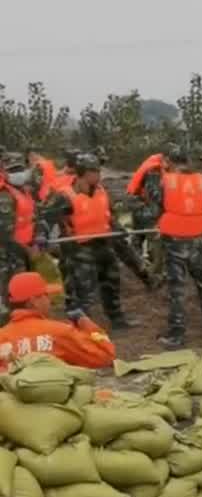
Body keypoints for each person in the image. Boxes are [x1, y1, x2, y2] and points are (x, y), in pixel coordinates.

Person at [38, 153, 149, 330]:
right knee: (83, 290)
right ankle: (81, 326)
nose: (98, 175)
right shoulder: (65, 196)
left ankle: (117, 320)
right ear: (82, 173)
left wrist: (118, 231)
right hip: (79, 248)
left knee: (112, 283)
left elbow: (108, 217)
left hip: (103, 244)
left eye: (98, 171)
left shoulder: (101, 191)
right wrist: (42, 234)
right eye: (94, 172)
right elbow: (45, 218)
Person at [145, 145, 202, 348]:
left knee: (177, 290)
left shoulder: (164, 181)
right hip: (197, 240)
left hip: (175, 242)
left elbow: (155, 208)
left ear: (168, 161)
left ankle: (177, 334)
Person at [0, 271, 115, 369]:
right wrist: (88, 325)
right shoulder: (59, 331)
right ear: (33, 301)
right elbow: (105, 357)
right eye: (46, 295)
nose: (49, 301)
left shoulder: (2, 336)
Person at [0, 151, 35, 319]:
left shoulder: (24, 192)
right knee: (10, 298)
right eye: (13, 170)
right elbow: (5, 236)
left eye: (20, 169)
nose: (18, 174)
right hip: (9, 255)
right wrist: (26, 250)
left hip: (22, 252)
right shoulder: (5, 196)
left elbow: (29, 221)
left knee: (23, 296)